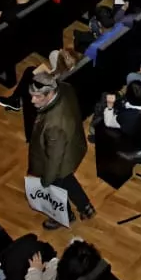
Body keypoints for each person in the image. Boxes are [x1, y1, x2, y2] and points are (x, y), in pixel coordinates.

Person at [28, 70, 94, 228]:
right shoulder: (64, 88)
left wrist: (46, 180)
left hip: (59, 159)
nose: (32, 100)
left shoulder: (54, 124)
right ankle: (85, 207)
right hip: (72, 147)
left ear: (50, 93)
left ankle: (65, 216)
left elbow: (54, 159)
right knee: (68, 179)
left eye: (38, 97)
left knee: (57, 185)